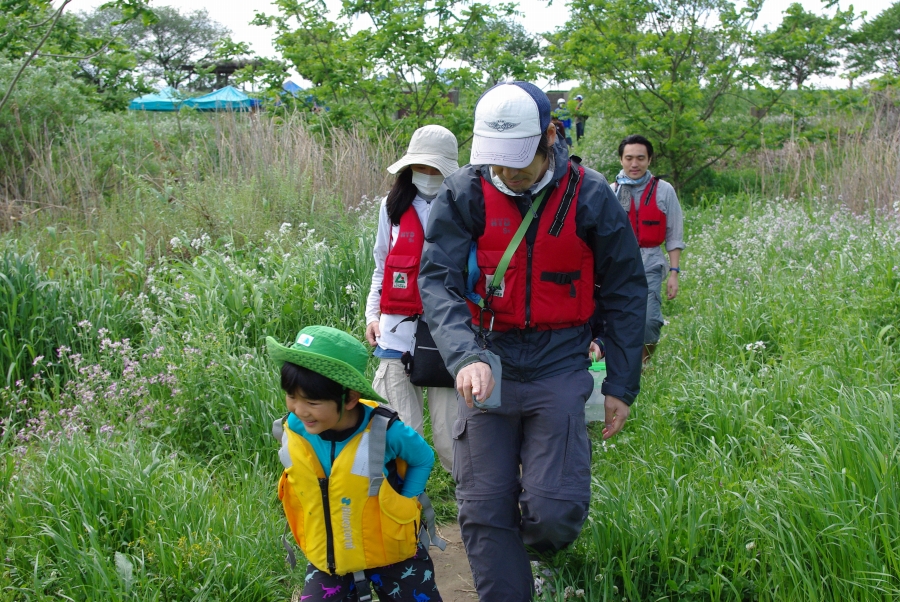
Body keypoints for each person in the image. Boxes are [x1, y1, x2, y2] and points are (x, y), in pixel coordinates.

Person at [419, 81, 647, 601]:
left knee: (553, 512)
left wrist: (621, 384)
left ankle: (532, 554)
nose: (505, 173)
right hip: (488, 362)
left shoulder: (590, 196)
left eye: (517, 161)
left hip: (560, 362)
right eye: (495, 162)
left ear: (549, 136)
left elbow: (627, 291)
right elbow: (438, 280)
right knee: (482, 505)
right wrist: (465, 355)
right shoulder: (465, 191)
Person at [267, 325, 444, 602]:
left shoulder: (386, 431)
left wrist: (407, 504)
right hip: (331, 557)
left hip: (391, 549)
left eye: (311, 402)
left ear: (349, 398)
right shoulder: (292, 430)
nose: (299, 410)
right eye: (292, 397)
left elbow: (423, 457)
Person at [364, 125, 460, 473]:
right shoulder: (390, 208)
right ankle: (406, 516)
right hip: (396, 334)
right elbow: (381, 267)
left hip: (447, 336)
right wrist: (371, 315)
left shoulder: (464, 207)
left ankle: (475, 512)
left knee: (453, 438)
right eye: (423, 167)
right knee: (401, 436)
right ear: (410, 167)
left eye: (437, 169)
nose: (430, 176)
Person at [612, 134, 685, 364]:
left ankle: (644, 365)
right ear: (621, 160)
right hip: (618, 265)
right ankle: (621, 366)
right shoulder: (610, 190)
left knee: (649, 320)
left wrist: (674, 272)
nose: (635, 164)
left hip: (651, 262)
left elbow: (674, 234)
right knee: (616, 319)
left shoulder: (664, 190)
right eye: (629, 158)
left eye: (641, 158)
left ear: (649, 160)